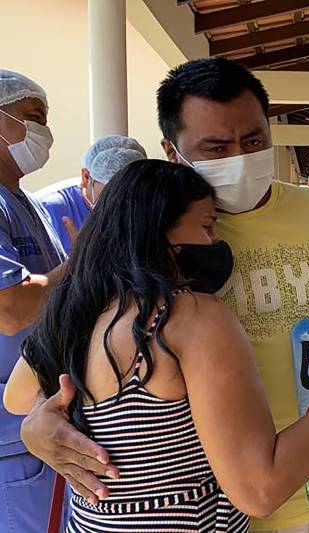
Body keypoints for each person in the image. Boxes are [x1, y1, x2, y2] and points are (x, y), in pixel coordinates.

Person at [19, 57, 309, 533]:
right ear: (172, 148)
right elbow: (55, 370)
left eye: (253, 141)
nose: (239, 158)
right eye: (216, 147)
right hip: (231, 508)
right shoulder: (150, 242)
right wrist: (37, 427)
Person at [0, 70, 68, 532]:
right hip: (12, 436)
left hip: (41, 424)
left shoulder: (26, 203)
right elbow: (10, 310)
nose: (43, 132)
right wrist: (86, 260)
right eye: (32, 117)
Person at [38, 136, 145, 253]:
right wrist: (78, 259)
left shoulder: (144, 206)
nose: (121, 198)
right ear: (86, 178)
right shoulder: (50, 209)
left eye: (130, 189)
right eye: (112, 190)